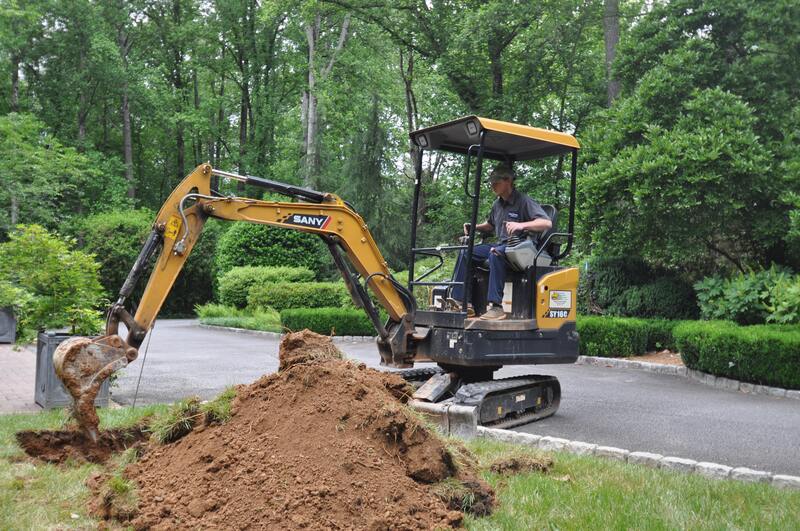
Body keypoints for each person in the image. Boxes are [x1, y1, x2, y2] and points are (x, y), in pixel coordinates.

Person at [449, 163, 552, 320]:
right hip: (501, 244)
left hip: (520, 247)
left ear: (508, 180)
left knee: (495, 253)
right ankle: (463, 302)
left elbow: (546, 223)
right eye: (491, 182)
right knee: (466, 251)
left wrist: (521, 225)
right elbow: (490, 225)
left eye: (496, 181)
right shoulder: (497, 204)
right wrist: (475, 227)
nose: (492, 185)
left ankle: (496, 307)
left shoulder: (523, 201)